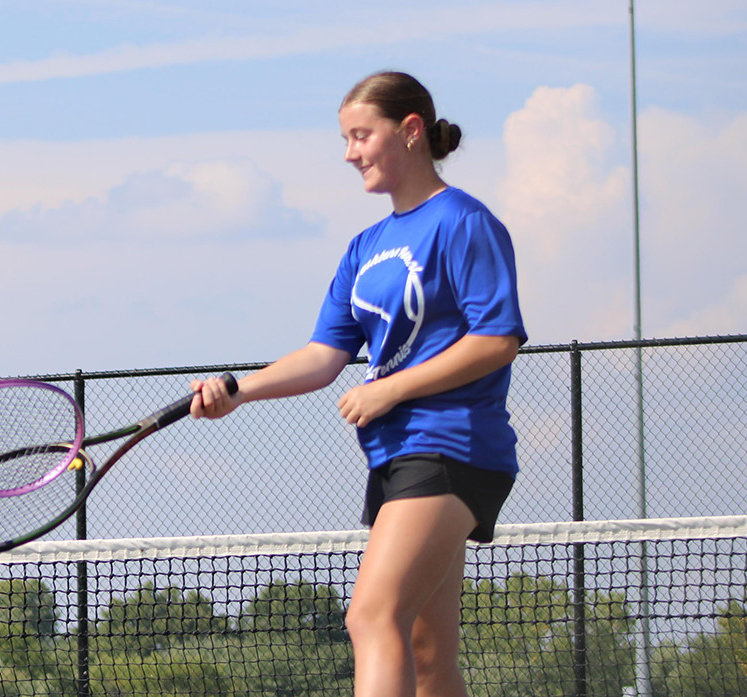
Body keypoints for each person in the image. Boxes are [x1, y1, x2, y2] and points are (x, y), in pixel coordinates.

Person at [190, 71, 526, 697]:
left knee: (371, 617)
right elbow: (324, 356)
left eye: (361, 136)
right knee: (428, 654)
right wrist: (238, 390)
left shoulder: (463, 222)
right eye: (345, 139)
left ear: (410, 131)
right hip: (396, 457)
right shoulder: (364, 248)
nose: (349, 153)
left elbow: (496, 339)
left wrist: (391, 389)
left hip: (451, 448)